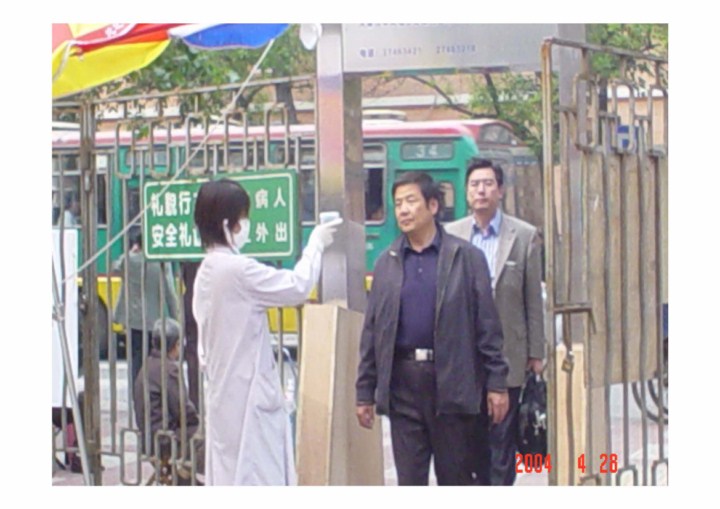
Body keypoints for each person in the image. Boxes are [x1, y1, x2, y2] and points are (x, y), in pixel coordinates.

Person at [355, 171, 509, 486]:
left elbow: (488, 327)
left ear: (433, 206)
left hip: (452, 385)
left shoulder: (466, 258)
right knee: (410, 480)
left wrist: (497, 383)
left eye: (411, 201)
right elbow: (373, 331)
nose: (403, 210)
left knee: (456, 479)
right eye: (398, 204)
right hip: (404, 386)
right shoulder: (388, 263)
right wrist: (364, 392)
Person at [191, 178, 341, 486]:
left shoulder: (206, 271)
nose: (245, 225)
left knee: (229, 474)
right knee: (258, 475)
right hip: (249, 399)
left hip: (224, 399)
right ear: (227, 224)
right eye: (242, 218)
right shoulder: (238, 270)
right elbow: (298, 286)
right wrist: (316, 244)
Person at [445, 158, 545, 485]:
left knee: (502, 441)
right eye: (475, 185)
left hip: (509, 354)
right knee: (471, 442)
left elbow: (533, 298)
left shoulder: (524, 236)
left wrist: (536, 352)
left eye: (488, 184)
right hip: (466, 356)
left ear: (500, 190)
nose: (481, 191)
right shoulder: (451, 235)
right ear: (466, 192)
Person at [133, 318, 203, 482]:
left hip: (149, 439)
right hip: (166, 440)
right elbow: (183, 410)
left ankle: (186, 478)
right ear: (176, 344)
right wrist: (198, 421)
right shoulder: (169, 370)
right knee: (209, 435)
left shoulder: (147, 365)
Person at [114, 226, 180, 385]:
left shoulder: (129, 260)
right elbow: (170, 292)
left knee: (135, 361)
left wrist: (130, 252)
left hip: (134, 321)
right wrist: (175, 317)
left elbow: (115, 267)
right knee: (155, 361)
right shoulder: (161, 261)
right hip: (154, 322)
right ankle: (152, 391)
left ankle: (136, 393)